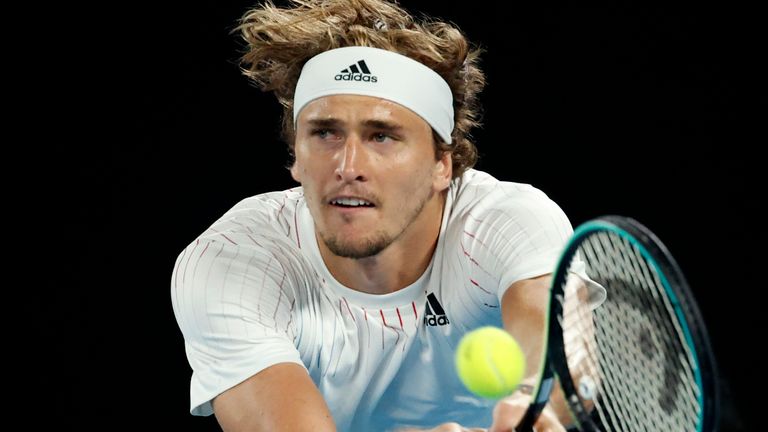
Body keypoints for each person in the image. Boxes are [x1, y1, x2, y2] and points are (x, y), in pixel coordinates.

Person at [171, 0, 605, 431]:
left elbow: (557, 341)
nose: (347, 165)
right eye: (325, 132)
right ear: (296, 157)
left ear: (443, 164)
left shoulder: (505, 219)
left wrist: (532, 406)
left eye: (382, 136)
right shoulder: (233, 261)